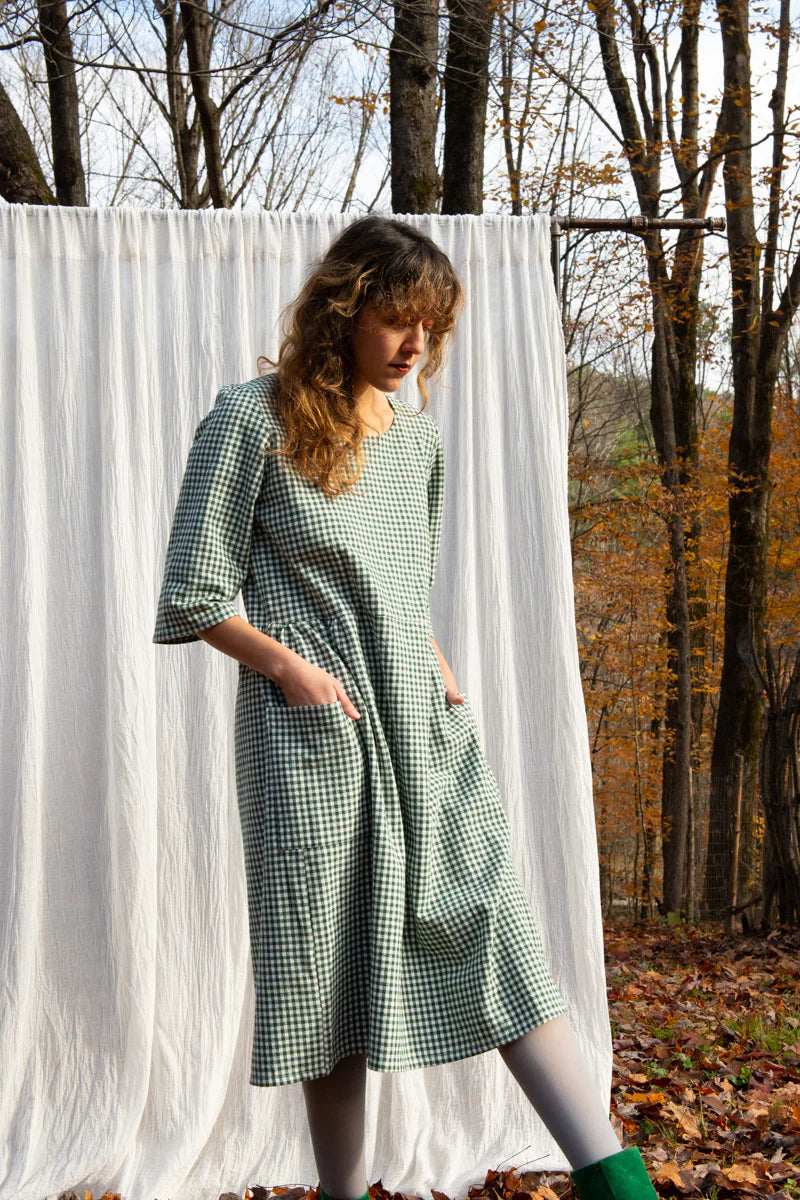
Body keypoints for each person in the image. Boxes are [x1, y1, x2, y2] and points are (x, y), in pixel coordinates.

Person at [152, 215, 657, 1200]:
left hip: (424, 724)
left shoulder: (416, 439)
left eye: (431, 324)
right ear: (342, 312)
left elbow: (401, 585)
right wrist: (288, 671)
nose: (416, 342)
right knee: (330, 982)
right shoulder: (251, 420)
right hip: (313, 740)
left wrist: (434, 660)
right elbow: (194, 591)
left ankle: (617, 1184)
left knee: (498, 937)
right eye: (396, 318)